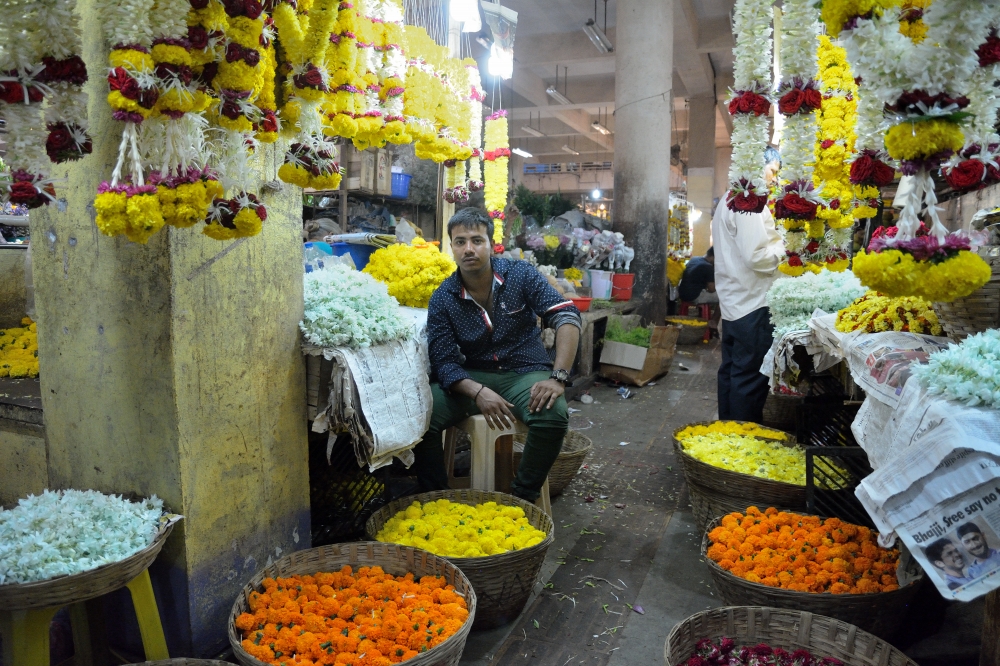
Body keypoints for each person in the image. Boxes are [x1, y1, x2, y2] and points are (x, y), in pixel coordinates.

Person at [412, 207, 582, 502]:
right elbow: (444, 361)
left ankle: (521, 497)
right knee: (419, 415)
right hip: (473, 377)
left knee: (553, 416)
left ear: (491, 244)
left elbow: (565, 316)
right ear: (451, 247)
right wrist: (478, 392)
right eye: (460, 241)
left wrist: (558, 377)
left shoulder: (520, 275)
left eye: (477, 240)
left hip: (525, 372)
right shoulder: (443, 297)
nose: (469, 249)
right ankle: (436, 500)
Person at [712, 146, 786, 422]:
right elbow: (759, 258)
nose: (774, 179)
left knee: (732, 373)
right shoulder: (749, 203)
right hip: (753, 304)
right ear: (757, 167)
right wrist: (787, 250)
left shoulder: (728, 199)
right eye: (772, 171)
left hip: (735, 303)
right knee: (749, 379)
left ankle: (727, 436)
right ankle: (742, 442)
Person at [677, 247, 719, 331]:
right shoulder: (708, 267)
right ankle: (713, 323)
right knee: (724, 298)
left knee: (705, 292)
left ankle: (702, 318)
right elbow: (711, 289)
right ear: (714, 257)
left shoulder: (695, 259)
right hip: (694, 296)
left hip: (682, 293)